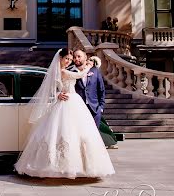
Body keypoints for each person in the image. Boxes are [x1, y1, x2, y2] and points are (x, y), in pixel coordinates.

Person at [15, 48, 115, 179]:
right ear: (60, 58)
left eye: (70, 59)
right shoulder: (62, 71)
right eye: (66, 58)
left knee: (78, 133)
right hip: (67, 103)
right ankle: (60, 166)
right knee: (62, 133)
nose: (68, 61)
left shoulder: (62, 70)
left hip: (73, 101)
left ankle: (83, 165)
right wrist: (89, 66)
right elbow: (78, 76)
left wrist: (57, 94)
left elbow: (57, 87)